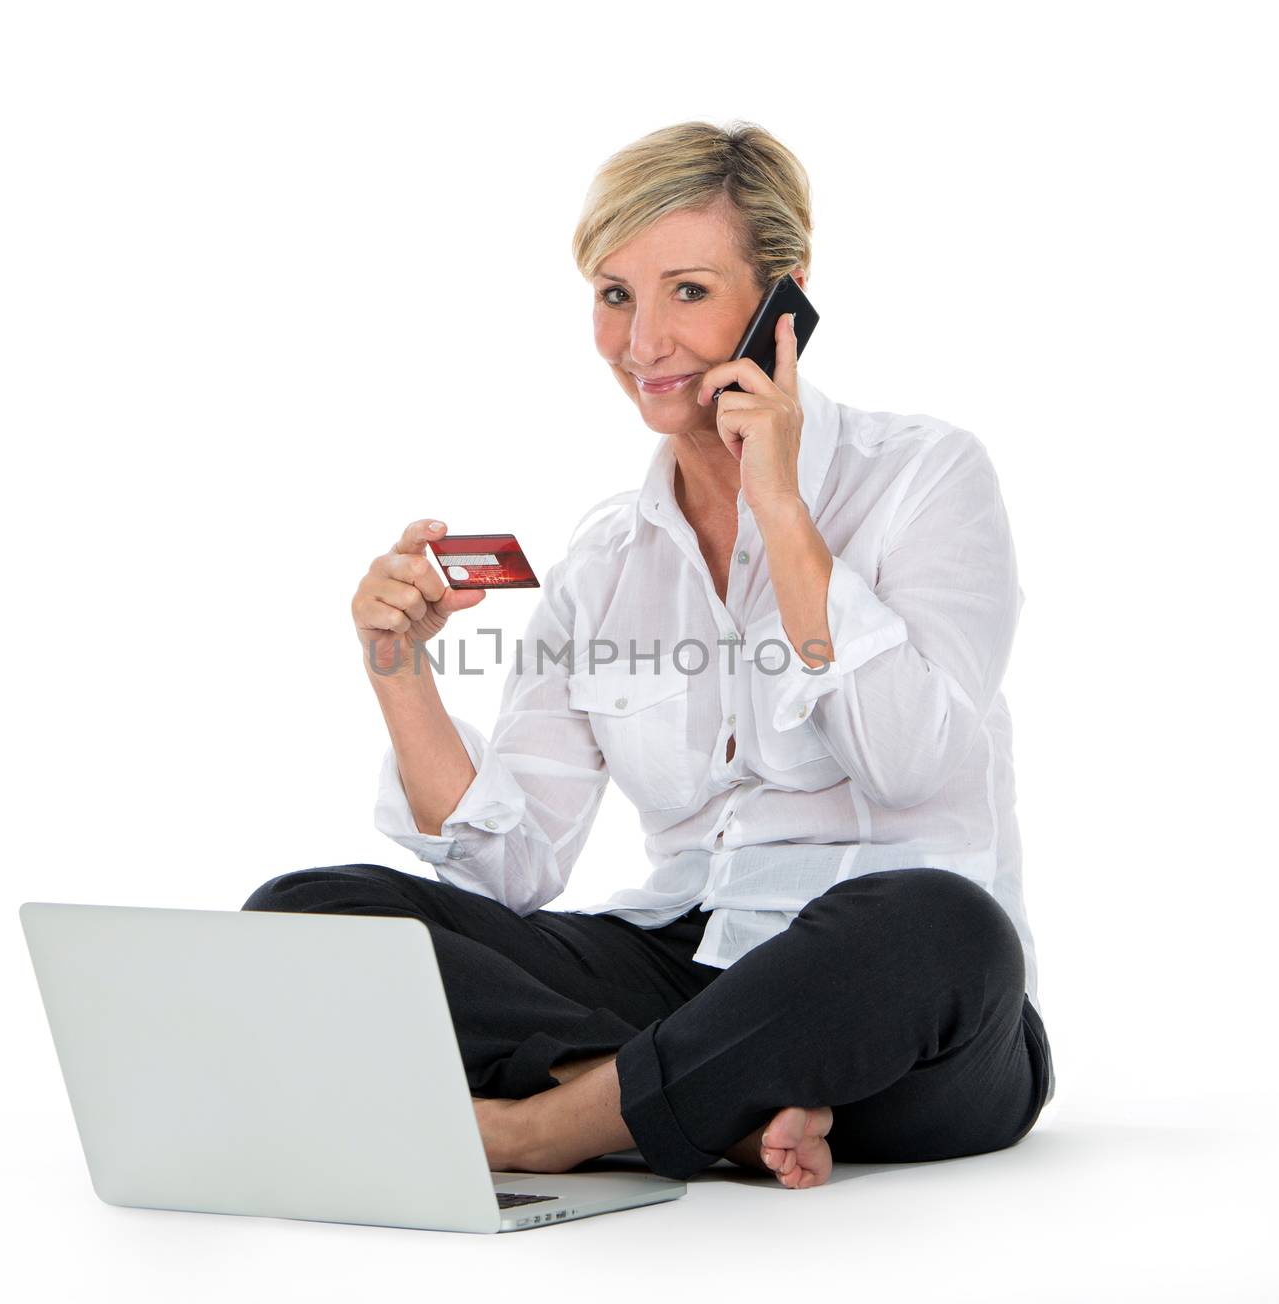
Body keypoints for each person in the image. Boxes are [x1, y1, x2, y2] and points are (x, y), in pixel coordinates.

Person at [242, 120, 1054, 1189]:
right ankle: (685, 1101)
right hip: (687, 964)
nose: (643, 341)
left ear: (783, 300)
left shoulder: (926, 477)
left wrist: (779, 503)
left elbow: (911, 765)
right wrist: (397, 667)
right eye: (614, 295)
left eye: (687, 290)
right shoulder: (605, 562)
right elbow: (506, 866)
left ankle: (546, 1127)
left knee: (939, 922)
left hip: (889, 1003)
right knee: (309, 912)